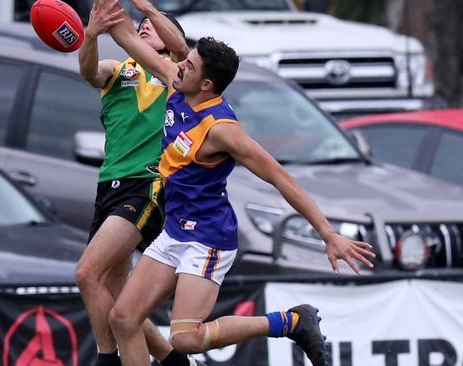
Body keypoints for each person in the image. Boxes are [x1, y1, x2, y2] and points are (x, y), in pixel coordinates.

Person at [100, 2, 377, 366]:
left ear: (207, 84)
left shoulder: (222, 131)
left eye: (189, 65)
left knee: (184, 339)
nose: (178, 64)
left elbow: (281, 178)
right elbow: (125, 37)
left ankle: (290, 321)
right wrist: (109, 13)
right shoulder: (177, 84)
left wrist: (328, 233)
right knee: (123, 317)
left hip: (207, 238)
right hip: (173, 232)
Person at [73, 1, 200, 366]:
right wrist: (91, 33)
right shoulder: (119, 70)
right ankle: (172, 359)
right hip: (109, 185)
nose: (145, 26)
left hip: (146, 184)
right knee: (118, 302)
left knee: (86, 273)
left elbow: (180, 48)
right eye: (140, 24)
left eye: (153, 26)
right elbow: (88, 71)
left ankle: (107, 358)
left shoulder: (177, 75)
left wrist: (149, 9)